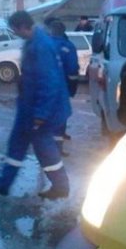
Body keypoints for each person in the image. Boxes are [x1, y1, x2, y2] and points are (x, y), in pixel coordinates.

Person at [0, 10, 71, 199]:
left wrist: (41, 115)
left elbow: (49, 82)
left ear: (22, 27)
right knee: (16, 144)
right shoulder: (33, 42)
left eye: (14, 30)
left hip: (42, 110)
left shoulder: (41, 45)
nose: (14, 33)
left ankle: (61, 187)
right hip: (28, 107)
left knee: (44, 149)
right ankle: (3, 184)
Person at [48, 19, 79, 156]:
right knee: (60, 115)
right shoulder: (68, 46)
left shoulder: (44, 44)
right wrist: (73, 86)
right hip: (61, 87)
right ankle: (57, 148)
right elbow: (72, 68)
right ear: (63, 31)